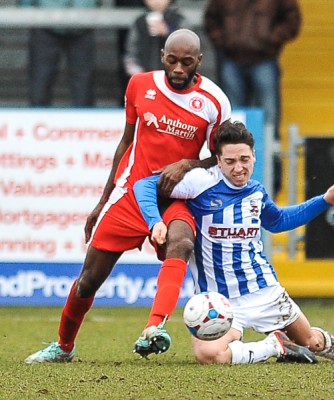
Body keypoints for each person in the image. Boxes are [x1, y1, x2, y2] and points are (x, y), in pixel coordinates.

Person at [24, 28, 231, 364]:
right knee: (87, 281)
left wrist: (187, 163)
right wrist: (103, 201)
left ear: (199, 62)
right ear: (163, 55)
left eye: (187, 62)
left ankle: (153, 328)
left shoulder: (214, 101)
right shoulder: (140, 85)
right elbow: (126, 142)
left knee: (181, 242)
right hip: (131, 194)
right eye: (172, 60)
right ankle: (63, 346)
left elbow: (219, 155)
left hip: (176, 197)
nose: (178, 69)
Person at [133, 120, 334, 365]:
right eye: (230, 162)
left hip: (265, 291)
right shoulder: (200, 183)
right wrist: (155, 221)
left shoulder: (256, 191)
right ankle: (276, 345)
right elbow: (143, 185)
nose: (238, 168)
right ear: (218, 161)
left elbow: (279, 221)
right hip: (221, 303)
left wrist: (325, 200)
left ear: (254, 156)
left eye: (244, 159)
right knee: (208, 355)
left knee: (311, 343)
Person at [204, 0, 302, 196]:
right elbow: (210, 19)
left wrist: (271, 39)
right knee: (230, 124)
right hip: (232, 60)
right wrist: (225, 42)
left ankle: (272, 182)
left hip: (264, 60)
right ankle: (226, 179)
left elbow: (293, 19)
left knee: (270, 123)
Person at [18, 0, 100, 107]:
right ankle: (38, 120)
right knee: (41, 82)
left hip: (82, 24)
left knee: (84, 86)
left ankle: (85, 122)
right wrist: (27, 14)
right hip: (45, 23)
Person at [122, 0, 187, 99]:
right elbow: (131, 50)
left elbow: (187, 47)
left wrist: (167, 33)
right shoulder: (140, 22)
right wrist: (136, 71)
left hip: (173, 80)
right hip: (145, 79)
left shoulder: (178, 20)